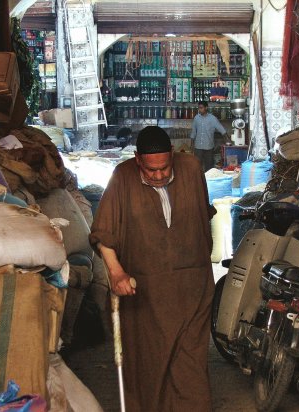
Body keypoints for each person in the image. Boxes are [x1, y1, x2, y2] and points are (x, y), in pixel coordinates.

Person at [89, 126, 215, 412]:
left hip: (192, 287)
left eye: (164, 169)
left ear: (172, 155)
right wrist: (116, 272)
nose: (158, 176)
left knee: (190, 367)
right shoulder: (122, 178)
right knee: (149, 364)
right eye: (150, 171)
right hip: (145, 292)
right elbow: (103, 234)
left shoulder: (192, 168)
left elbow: (201, 219)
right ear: (137, 160)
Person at [190, 101, 230, 171]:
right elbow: (193, 132)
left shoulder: (213, 119)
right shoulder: (196, 118)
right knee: (197, 166)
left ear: (206, 108)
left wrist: (229, 142)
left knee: (209, 167)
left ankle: (207, 181)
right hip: (198, 147)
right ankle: (199, 181)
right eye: (199, 108)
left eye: (201, 108)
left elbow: (222, 130)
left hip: (208, 147)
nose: (199, 110)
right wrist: (192, 145)